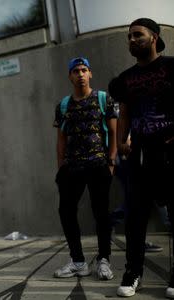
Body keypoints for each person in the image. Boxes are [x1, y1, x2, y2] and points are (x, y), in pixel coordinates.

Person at [112, 18, 174, 298]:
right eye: (129, 36)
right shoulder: (125, 79)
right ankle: (133, 271)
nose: (132, 40)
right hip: (140, 155)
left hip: (171, 152)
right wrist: (121, 142)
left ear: (154, 37)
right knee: (135, 217)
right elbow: (123, 113)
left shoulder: (172, 67)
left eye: (138, 34)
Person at [53, 57, 117, 280]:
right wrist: (60, 168)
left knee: (101, 214)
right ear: (70, 76)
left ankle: (104, 260)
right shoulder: (63, 105)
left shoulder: (102, 99)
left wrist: (111, 161)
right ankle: (78, 261)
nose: (80, 74)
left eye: (84, 70)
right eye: (76, 71)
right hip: (72, 167)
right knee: (66, 212)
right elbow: (61, 139)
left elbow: (113, 131)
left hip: (98, 164)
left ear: (90, 74)